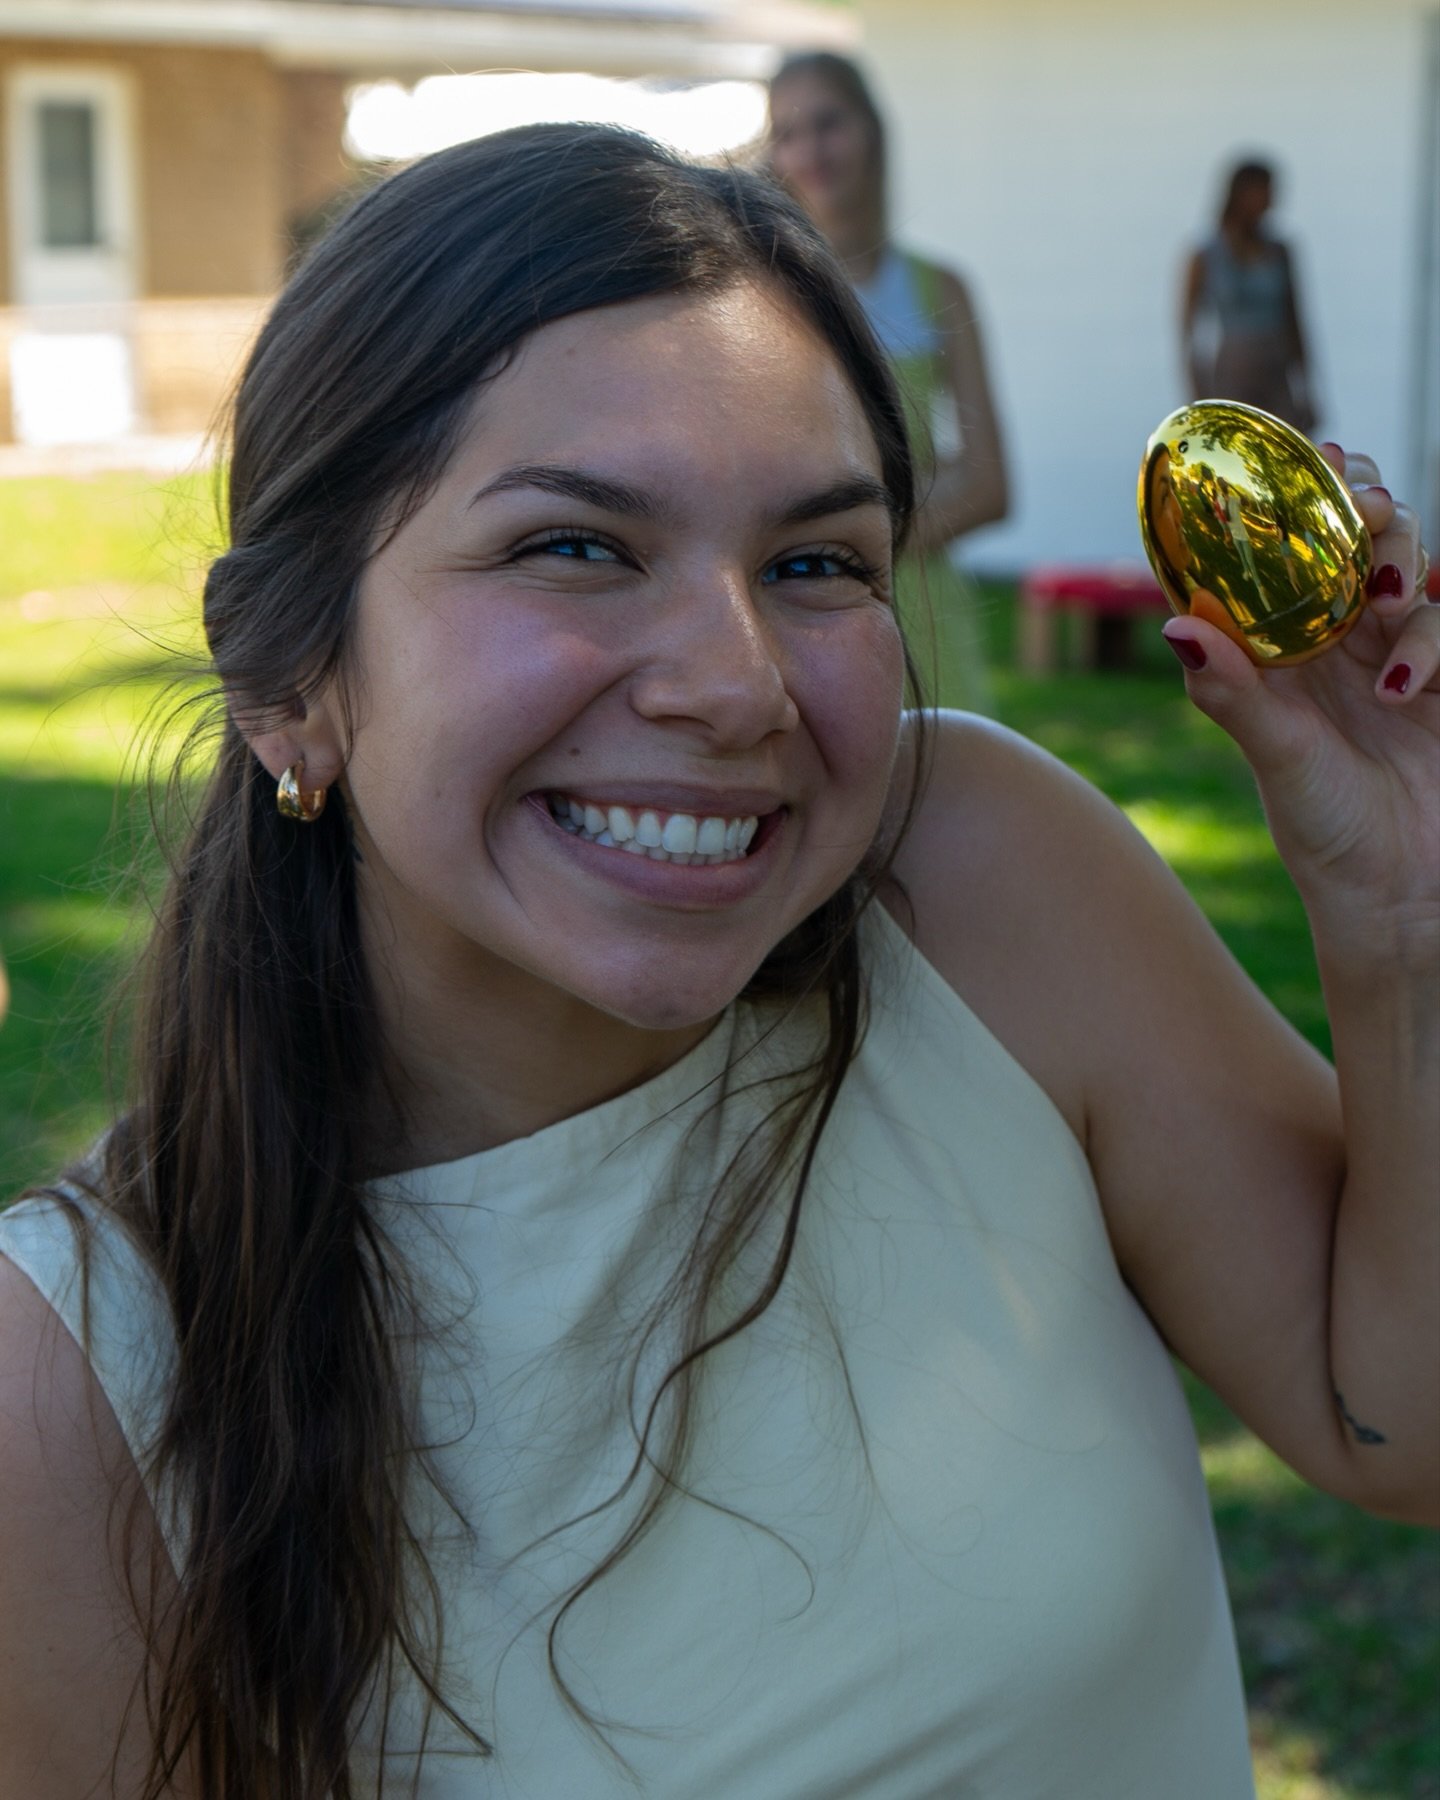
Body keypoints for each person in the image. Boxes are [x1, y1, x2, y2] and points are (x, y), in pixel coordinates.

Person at [0, 124, 1434, 1800]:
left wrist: (1402, 922)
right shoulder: (77, 1391)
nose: (737, 683)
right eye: (579, 547)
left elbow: (1394, 1414)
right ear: (290, 681)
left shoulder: (971, 884)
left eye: (815, 563)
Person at [767, 52, 1008, 712]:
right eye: (787, 133)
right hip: (800, 608)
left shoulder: (940, 288)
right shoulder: (768, 290)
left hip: (922, 610)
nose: (810, 148)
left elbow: (991, 486)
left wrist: (852, 551)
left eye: (827, 122)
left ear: (871, 129)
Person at [1182, 156, 1318, 432]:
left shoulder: (1280, 251)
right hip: (1232, 377)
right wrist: (1196, 396)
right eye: (1263, 191)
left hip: (1277, 375)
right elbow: (1188, 332)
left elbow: (1296, 322)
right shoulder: (1206, 256)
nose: (1270, 200)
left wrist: (1307, 389)